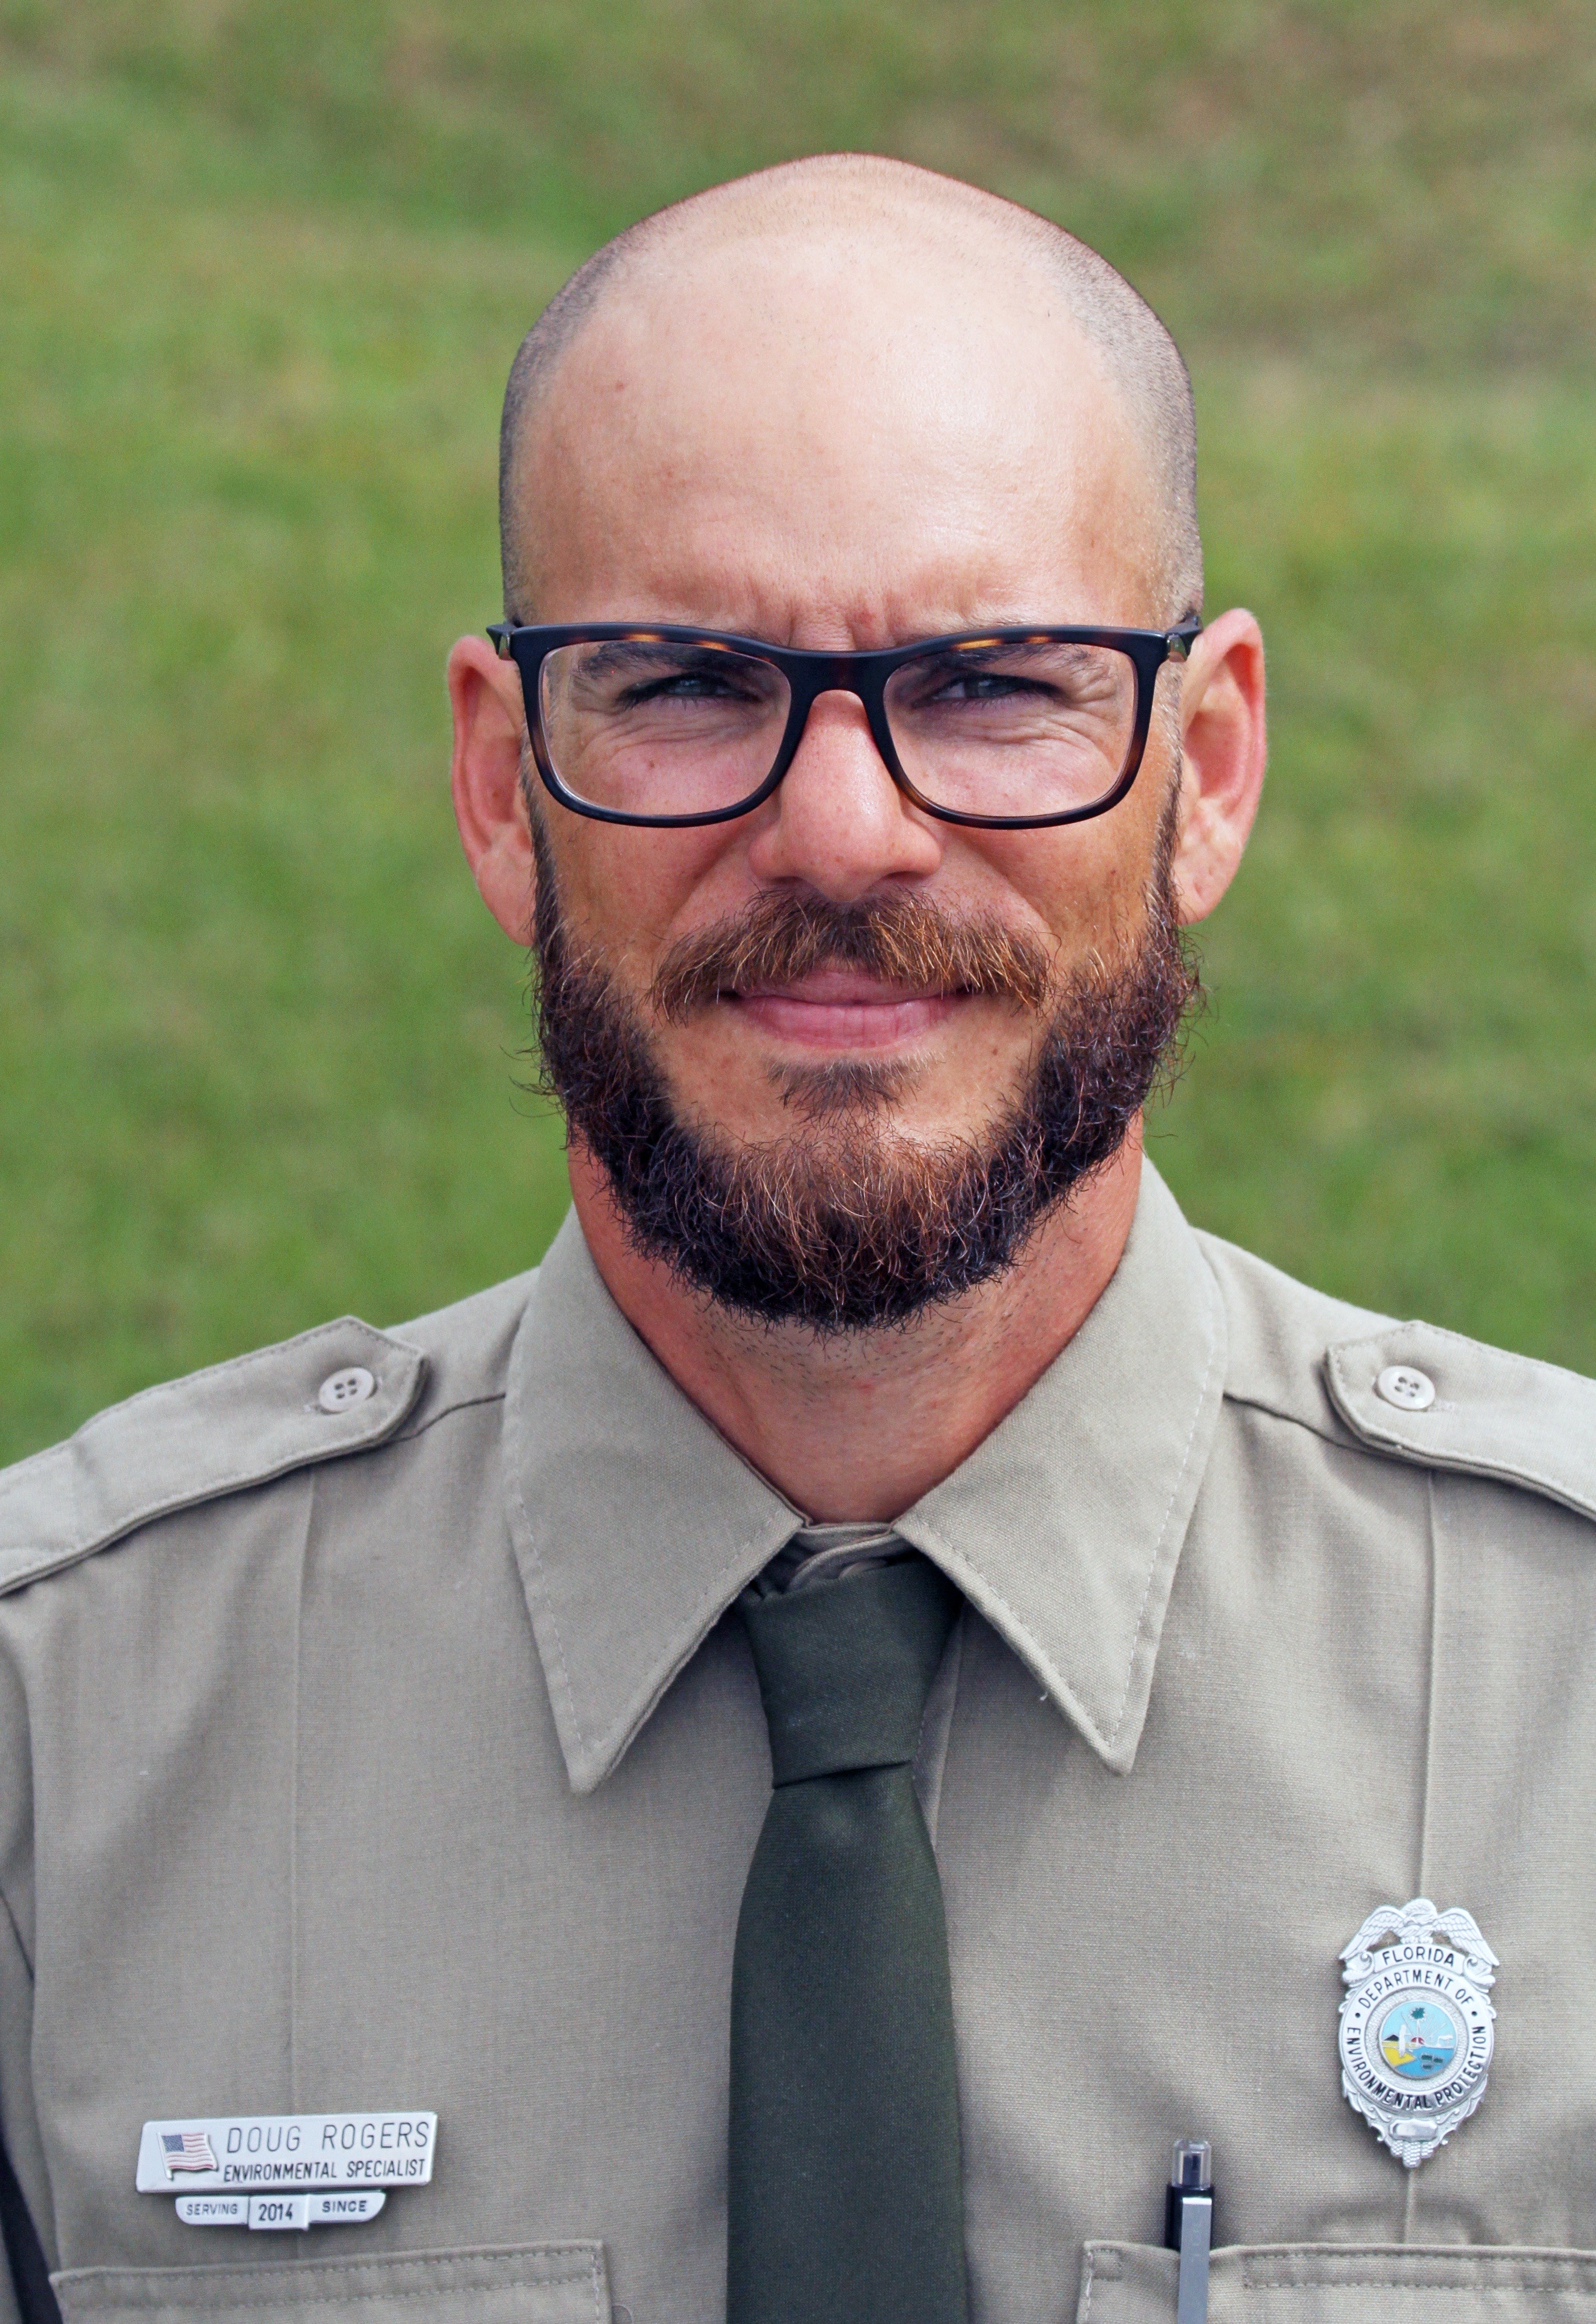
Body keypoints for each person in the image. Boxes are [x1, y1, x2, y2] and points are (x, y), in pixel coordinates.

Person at [2, 153, 1593, 2324]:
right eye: (679, 683)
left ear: (1203, 769)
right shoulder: (61, 1746)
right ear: (500, 781)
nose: (841, 824)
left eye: (992, 684)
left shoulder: (1560, 1706)